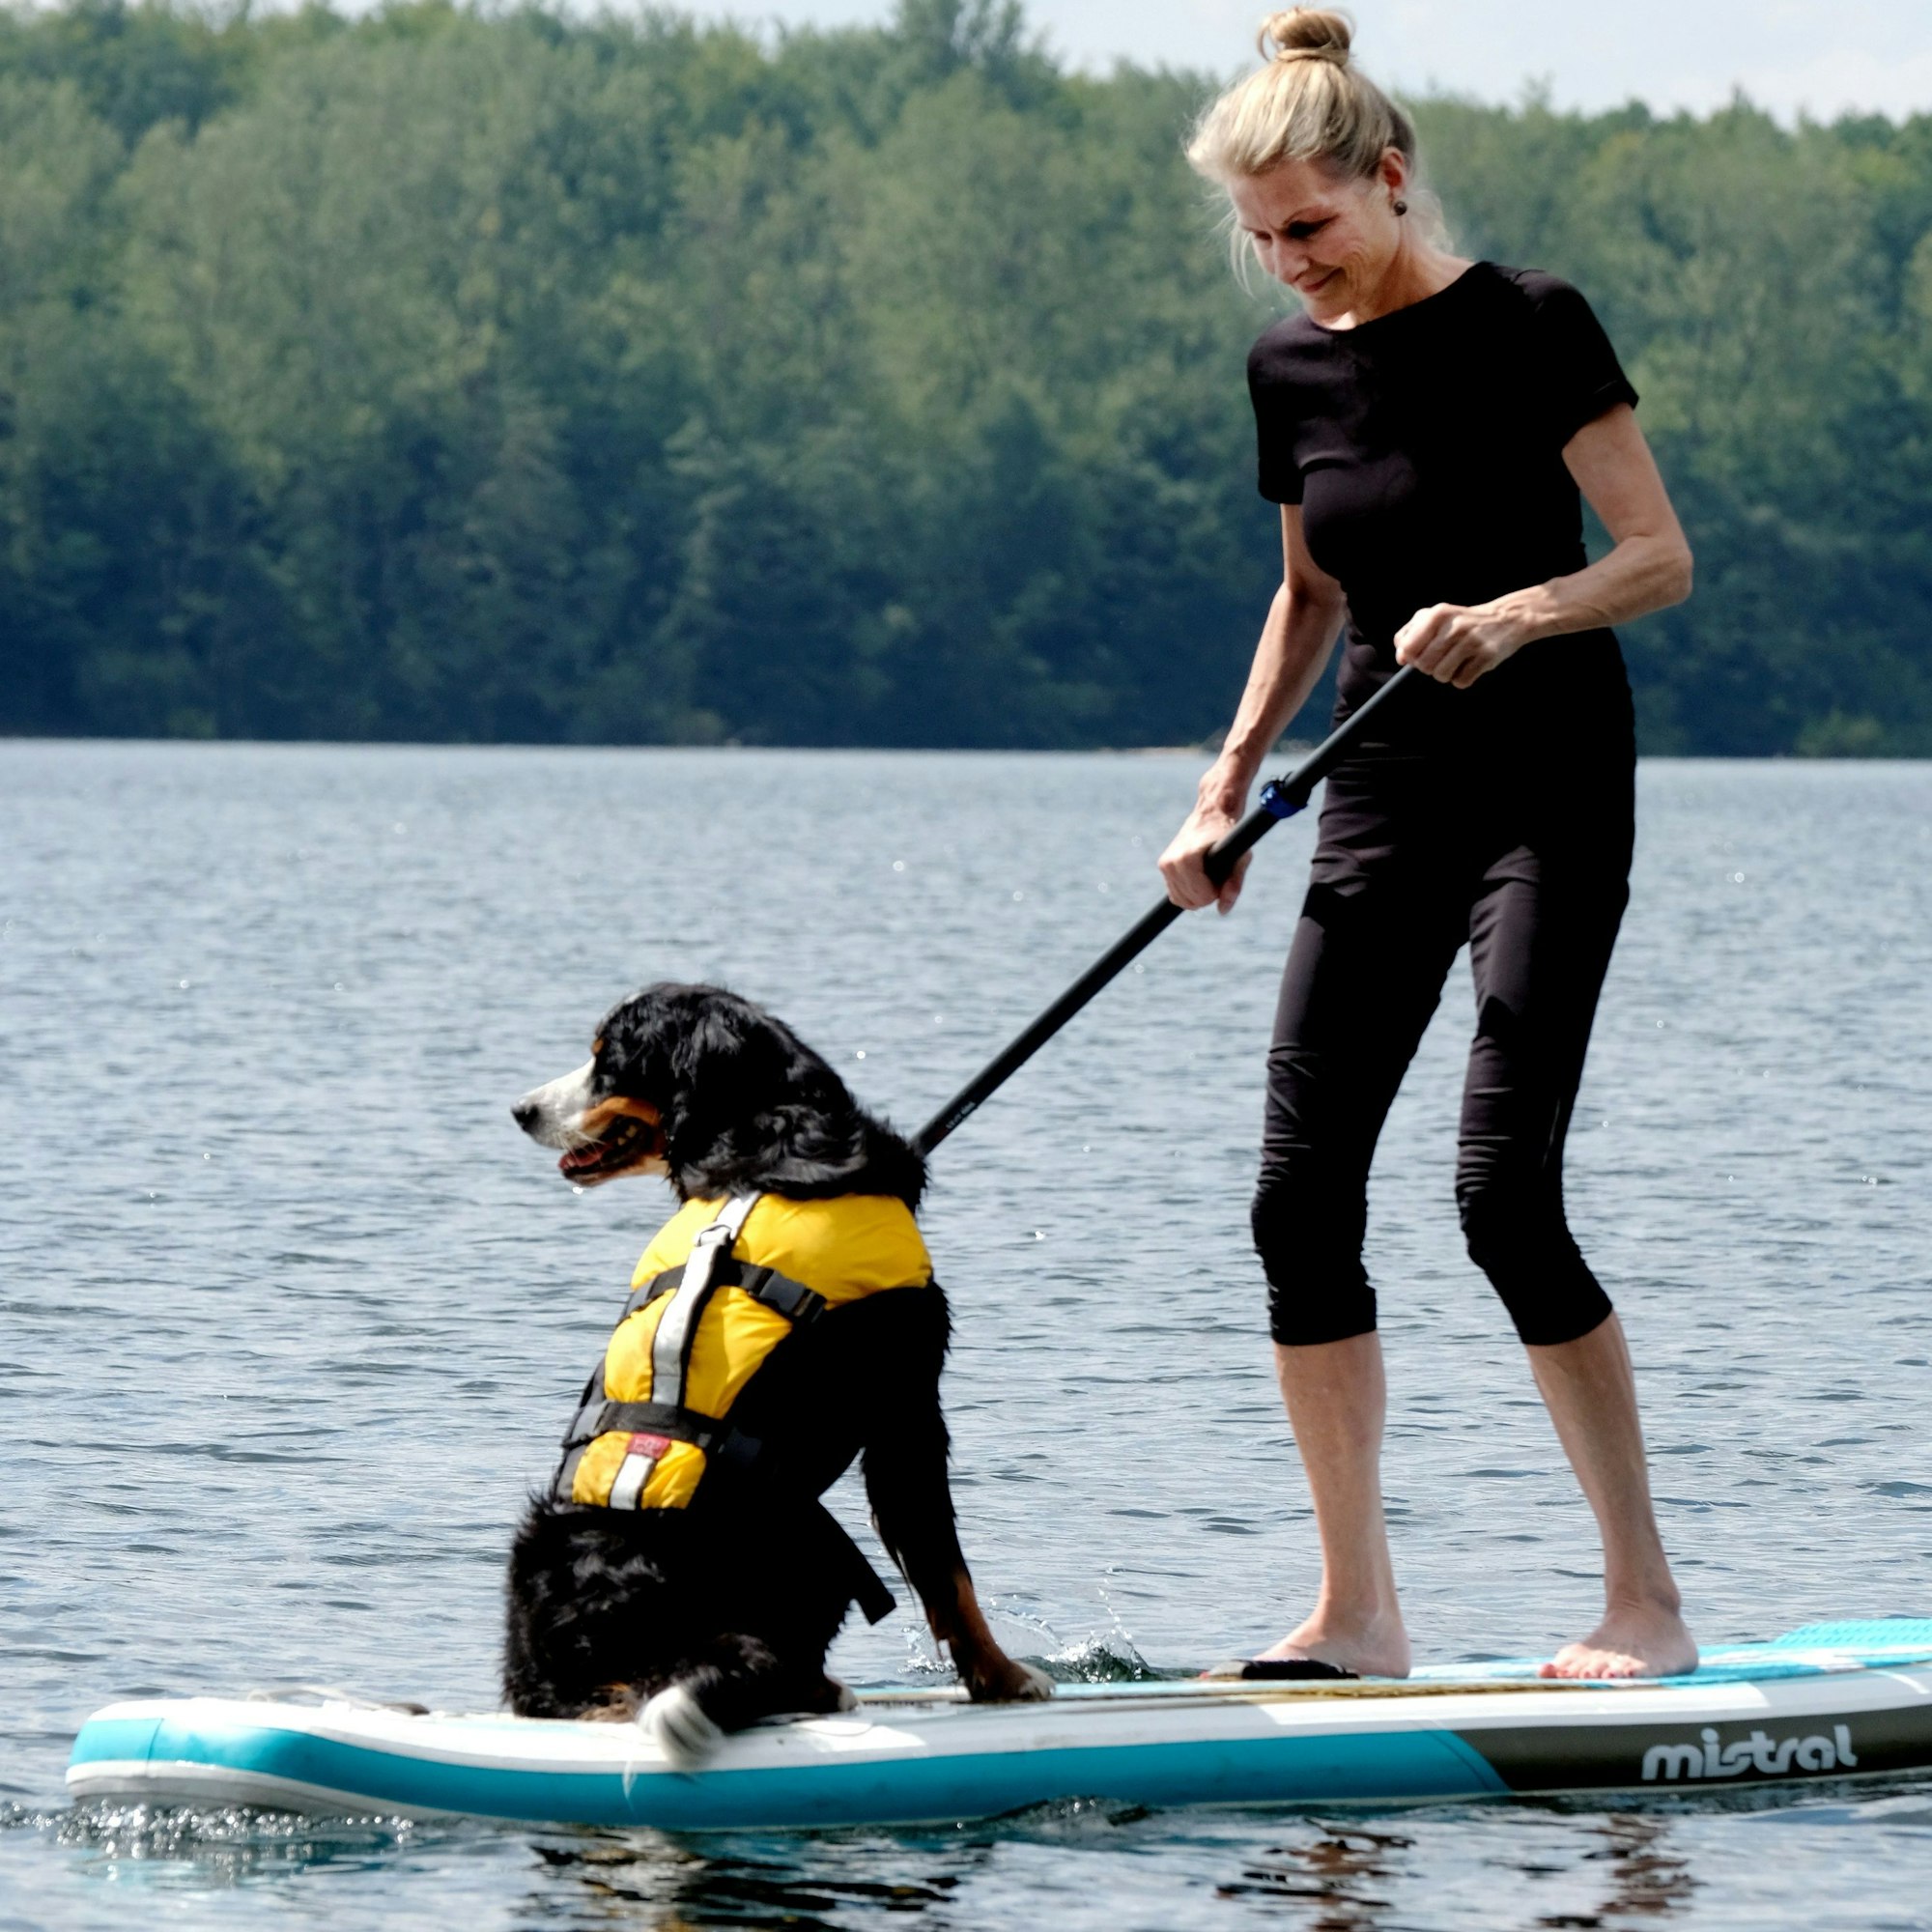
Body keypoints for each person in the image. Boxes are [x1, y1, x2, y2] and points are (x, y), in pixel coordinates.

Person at [1159, 8, 1697, 1680]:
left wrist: (1520, 612)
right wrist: (1226, 787)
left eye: (1310, 225)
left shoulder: (1533, 322)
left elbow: (1659, 557)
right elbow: (1311, 591)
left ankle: (1646, 1604)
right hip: (1378, 796)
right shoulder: (1288, 369)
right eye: (1263, 240)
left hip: (1546, 791)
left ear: (1390, 177)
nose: (1290, 264)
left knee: (1501, 1198)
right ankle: (1358, 1617)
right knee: (1295, 1203)